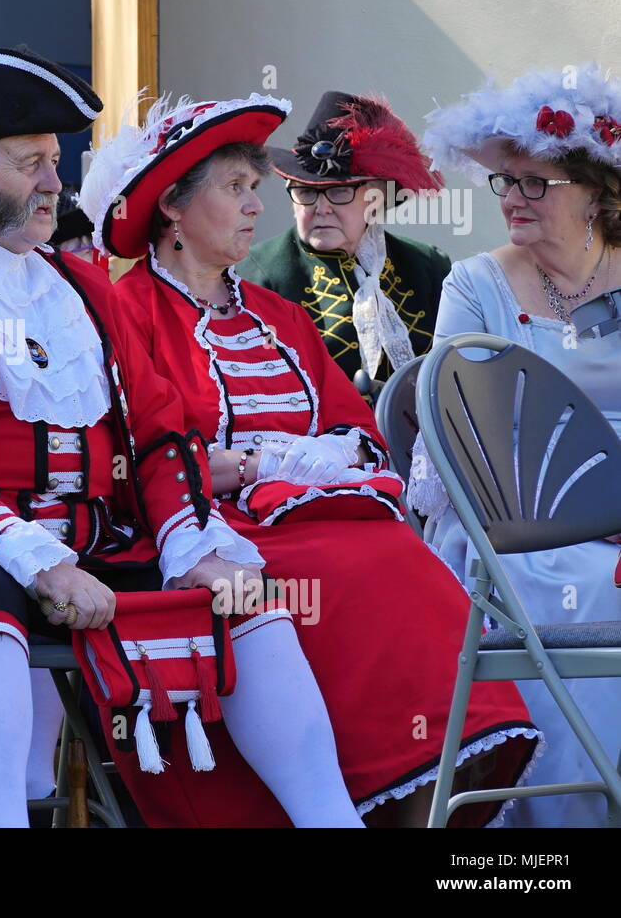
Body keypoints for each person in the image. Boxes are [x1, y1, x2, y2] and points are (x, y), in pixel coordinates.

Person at [0, 47, 384, 828]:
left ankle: (332, 820)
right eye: (32, 164)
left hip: (84, 543)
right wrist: (36, 558)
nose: (57, 182)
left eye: (55, 160)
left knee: (243, 595)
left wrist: (191, 540)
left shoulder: (81, 285)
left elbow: (160, 428)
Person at [80, 91, 539, 826]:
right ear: (172, 205)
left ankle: (422, 798)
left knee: (406, 559)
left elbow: (355, 433)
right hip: (216, 539)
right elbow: (136, 459)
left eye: (255, 189)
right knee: (356, 573)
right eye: (236, 189)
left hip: (330, 521)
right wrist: (261, 465)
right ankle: (348, 801)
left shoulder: (278, 317)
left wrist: (265, 460)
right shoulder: (122, 312)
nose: (256, 208)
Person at [415, 63, 621, 827]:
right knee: (595, 586)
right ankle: (553, 828)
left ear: (594, 189)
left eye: (535, 183)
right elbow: (470, 440)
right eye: (504, 182)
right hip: (518, 527)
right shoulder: (476, 284)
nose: (511, 199)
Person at [238, 91, 451, 389]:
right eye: (306, 192)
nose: (321, 208)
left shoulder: (428, 266)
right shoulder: (256, 276)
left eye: (339, 192)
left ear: (375, 199)